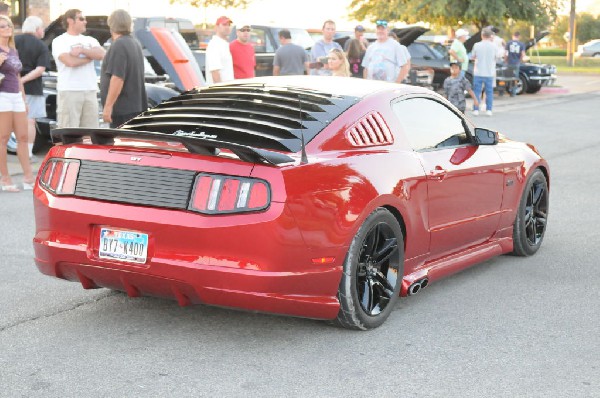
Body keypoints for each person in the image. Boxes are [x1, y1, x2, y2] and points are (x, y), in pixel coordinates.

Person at [52, 9, 105, 128]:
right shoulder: (60, 41)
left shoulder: (90, 40)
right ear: (70, 21)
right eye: (81, 19)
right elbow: (70, 62)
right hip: (69, 90)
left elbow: (102, 54)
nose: (85, 22)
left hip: (90, 90)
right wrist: (89, 58)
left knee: (91, 132)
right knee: (69, 131)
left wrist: (82, 50)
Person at [0, 15, 34, 192]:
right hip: (2, 96)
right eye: (2, 26)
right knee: (3, 138)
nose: (7, 28)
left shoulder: (13, 50)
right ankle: (5, 179)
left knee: (23, 137)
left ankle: (28, 178)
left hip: (15, 96)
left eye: (8, 25)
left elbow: (18, 77)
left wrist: (23, 97)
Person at [100, 9, 147, 129]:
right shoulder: (135, 43)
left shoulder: (119, 45)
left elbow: (117, 78)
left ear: (111, 24)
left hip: (123, 111)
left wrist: (108, 106)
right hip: (136, 107)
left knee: (121, 145)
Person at [15, 16, 49, 158]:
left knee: (9, 120)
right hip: (33, 88)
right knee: (30, 120)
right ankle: (27, 153)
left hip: (10, 87)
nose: (43, 31)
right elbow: (40, 69)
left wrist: (16, 80)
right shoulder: (41, 45)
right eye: (42, 28)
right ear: (36, 29)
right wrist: (22, 80)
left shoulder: (13, 41)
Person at [470, 27, 497, 116]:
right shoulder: (494, 46)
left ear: (482, 35)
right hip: (489, 72)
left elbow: (473, 56)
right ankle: (489, 110)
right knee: (489, 92)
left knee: (477, 91)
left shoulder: (477, 45)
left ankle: (476, 109)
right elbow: (497, 57)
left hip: (478, 71)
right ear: (490, 36)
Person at [205, 16, 233, 84]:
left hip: (228, 89)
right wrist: (222, 92)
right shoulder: (214, 45)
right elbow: (215, 72)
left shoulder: (224, 44)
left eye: (229, 25)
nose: (227, 27)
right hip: (220, 91)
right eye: (224, 25)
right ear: (216, 27)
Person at [505, 31, 526, 96]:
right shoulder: (521, 44)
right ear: (519, 36)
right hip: (516, 63)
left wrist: (506, 61)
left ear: (513, 36)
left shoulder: (508, 43)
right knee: (515, 77)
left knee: (508, 77)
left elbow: (506, 54)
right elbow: (523, 54)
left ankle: (507, 90)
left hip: (509, 62)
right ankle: (513, 92)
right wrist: (520, 60)